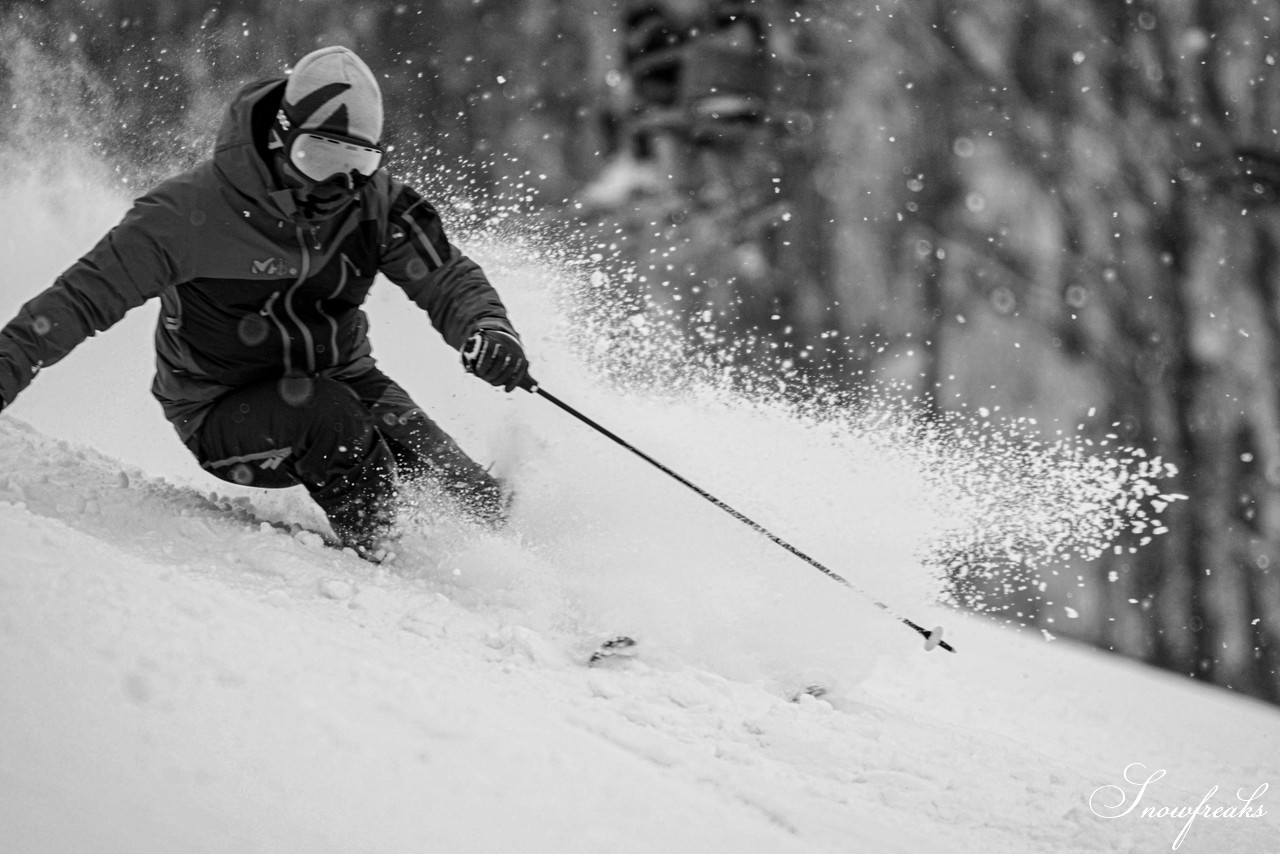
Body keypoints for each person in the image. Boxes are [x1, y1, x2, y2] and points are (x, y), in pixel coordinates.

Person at [0, 46, 533, 560]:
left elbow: (445, 276)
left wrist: (488, 328)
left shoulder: (375, 204)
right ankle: (398, 565)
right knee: (332, 421)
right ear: (282, 141)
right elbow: (78, 300)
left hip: (344, 377)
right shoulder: (188, 213)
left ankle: (533, 603)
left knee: (466, 491)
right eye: (319, 158)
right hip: (223, 409)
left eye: (359, 161)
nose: (339, 183)